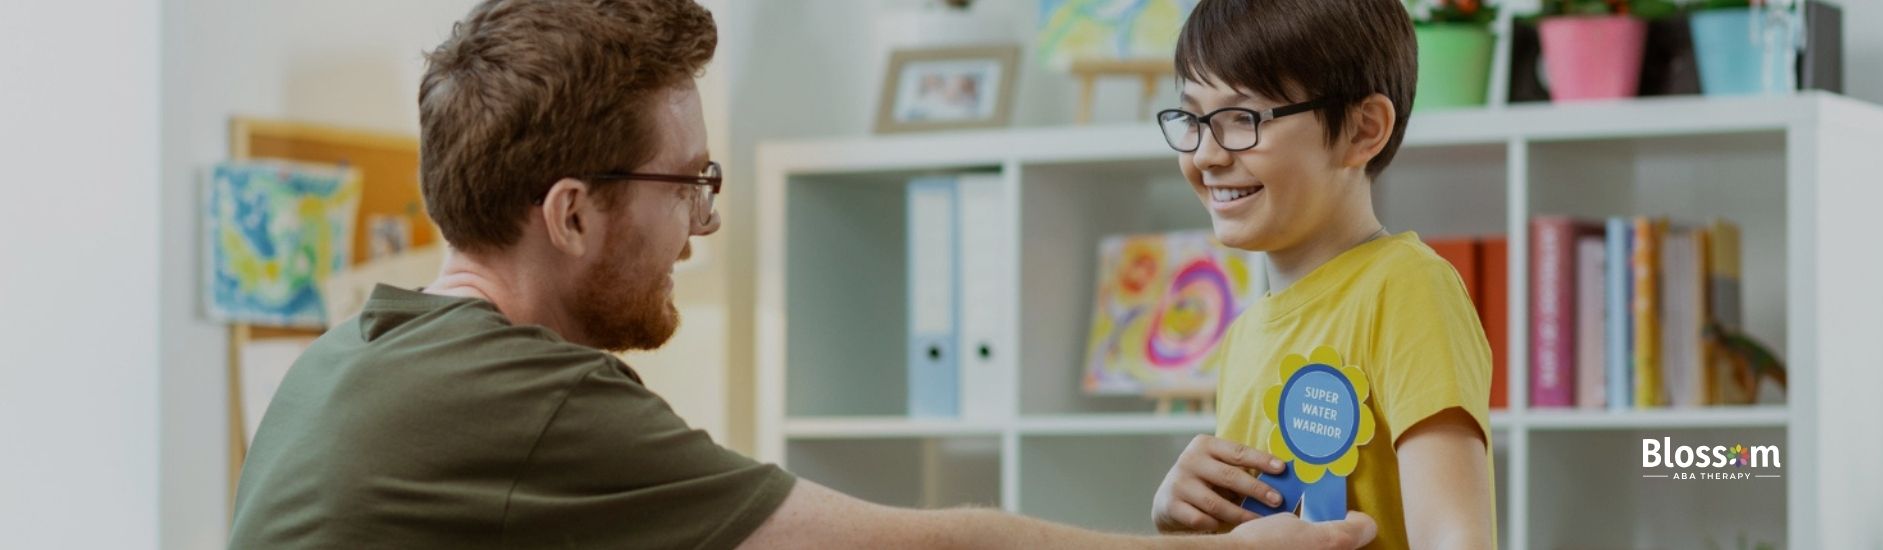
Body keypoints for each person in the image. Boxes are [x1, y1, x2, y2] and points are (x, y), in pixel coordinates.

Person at [225, 1, 1378, 548]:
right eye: (688, 183)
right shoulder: (527, 401)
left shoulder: (353, 357)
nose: (705, 226)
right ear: (571, 213)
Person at [1146, 0, 1498, 549]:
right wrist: (1190, 526)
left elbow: (1456, 538)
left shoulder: (1407, 287)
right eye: (1192, 119)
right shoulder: (1243, 336)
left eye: (1243, 118)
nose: (1207, 154)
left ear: (1363, 129)